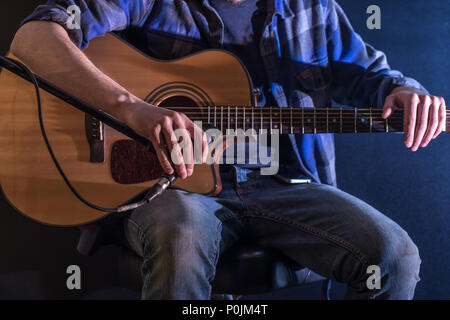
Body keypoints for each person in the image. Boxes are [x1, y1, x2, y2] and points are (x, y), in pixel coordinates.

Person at [11, 0, 446, 299]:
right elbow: (34, 36)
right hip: (175, 188)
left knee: (395, 256)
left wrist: (404, 91)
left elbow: (370, 75)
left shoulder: (311, 7)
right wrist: (130, 108)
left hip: (283, 186)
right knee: (181, 235)